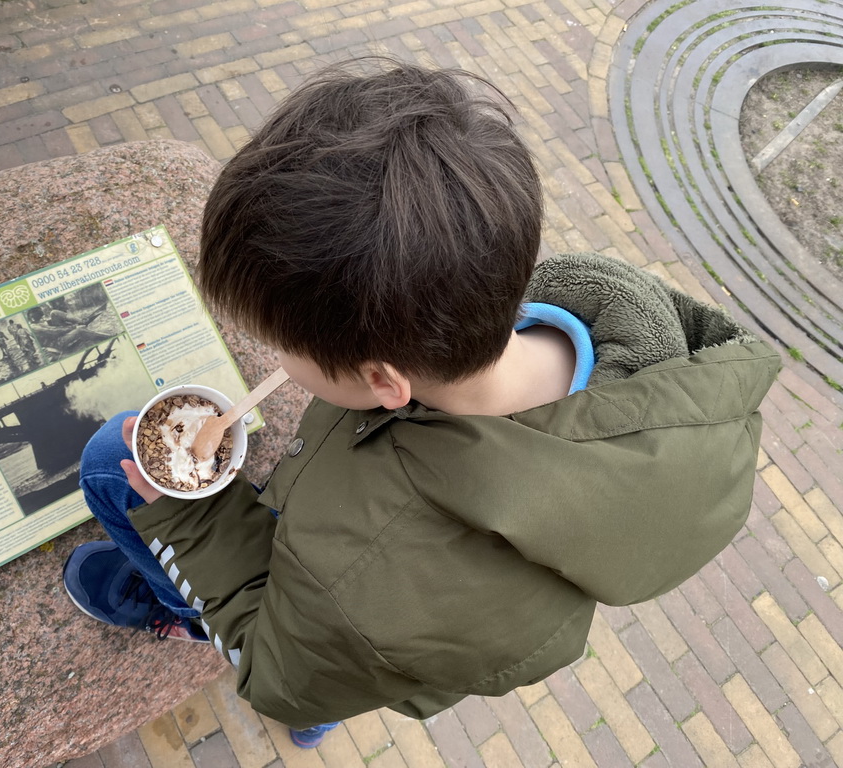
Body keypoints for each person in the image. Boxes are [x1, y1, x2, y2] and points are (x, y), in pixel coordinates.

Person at [62, 60, 781, 748]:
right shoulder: (600, 318)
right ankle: (333, 695)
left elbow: (277, 678)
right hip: (395, 633)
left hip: (351, 625)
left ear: (383, 384)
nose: (275, 361)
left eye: (284, 348)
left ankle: (189, 616)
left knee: (112, 466)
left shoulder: (370, 587)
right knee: (353, 653)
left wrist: (191, 520)